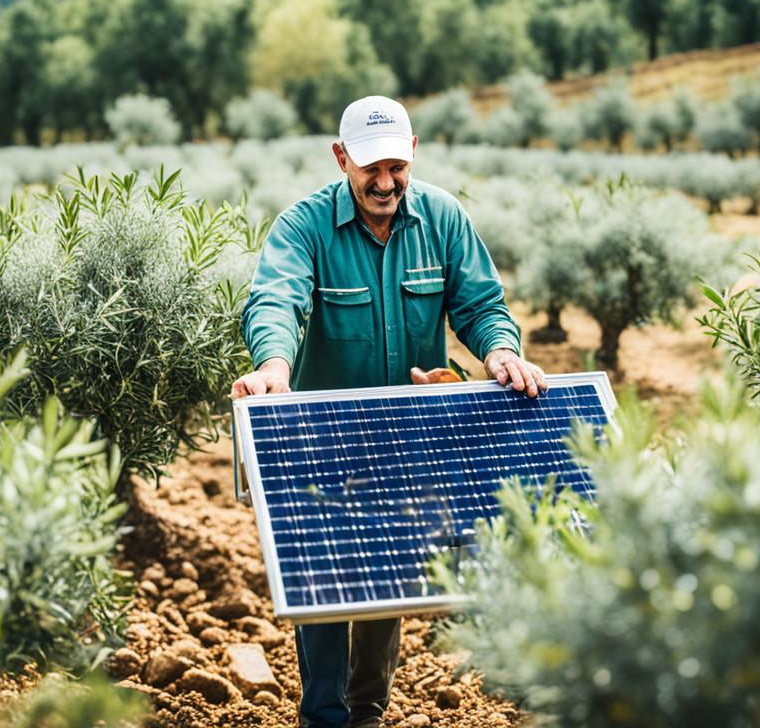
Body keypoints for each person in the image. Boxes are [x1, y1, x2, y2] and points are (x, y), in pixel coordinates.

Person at [231, 95, 548, 728]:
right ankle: (322, 715)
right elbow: (276, 300)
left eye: (396, 167)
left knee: (385, 575)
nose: (385, 183)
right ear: (341, 157)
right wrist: (273, 366)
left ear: (413, 154)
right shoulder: (305, 227)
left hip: (406, 430)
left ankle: (368, 712)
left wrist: (501, 353)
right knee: (322, 576)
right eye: (370, 168)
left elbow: (481, 305)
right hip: (321, 435)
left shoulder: (443, 218)